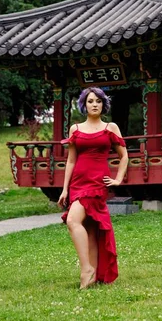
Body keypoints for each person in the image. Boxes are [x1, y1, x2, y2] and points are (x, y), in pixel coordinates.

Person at [58, 87, 128, 289]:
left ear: (103, 104)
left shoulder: (110, 127)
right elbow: (71, 161)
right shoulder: (75, 129)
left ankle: (86, 269)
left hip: (97, 182)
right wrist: (64, 189)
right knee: (89, 228)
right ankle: (94, 275)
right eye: (90, 101)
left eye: (98, 101)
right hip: (77, 183)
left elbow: (124, 156)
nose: (94, 104)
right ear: (84, 105)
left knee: (72, 220)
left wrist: (118, 179)